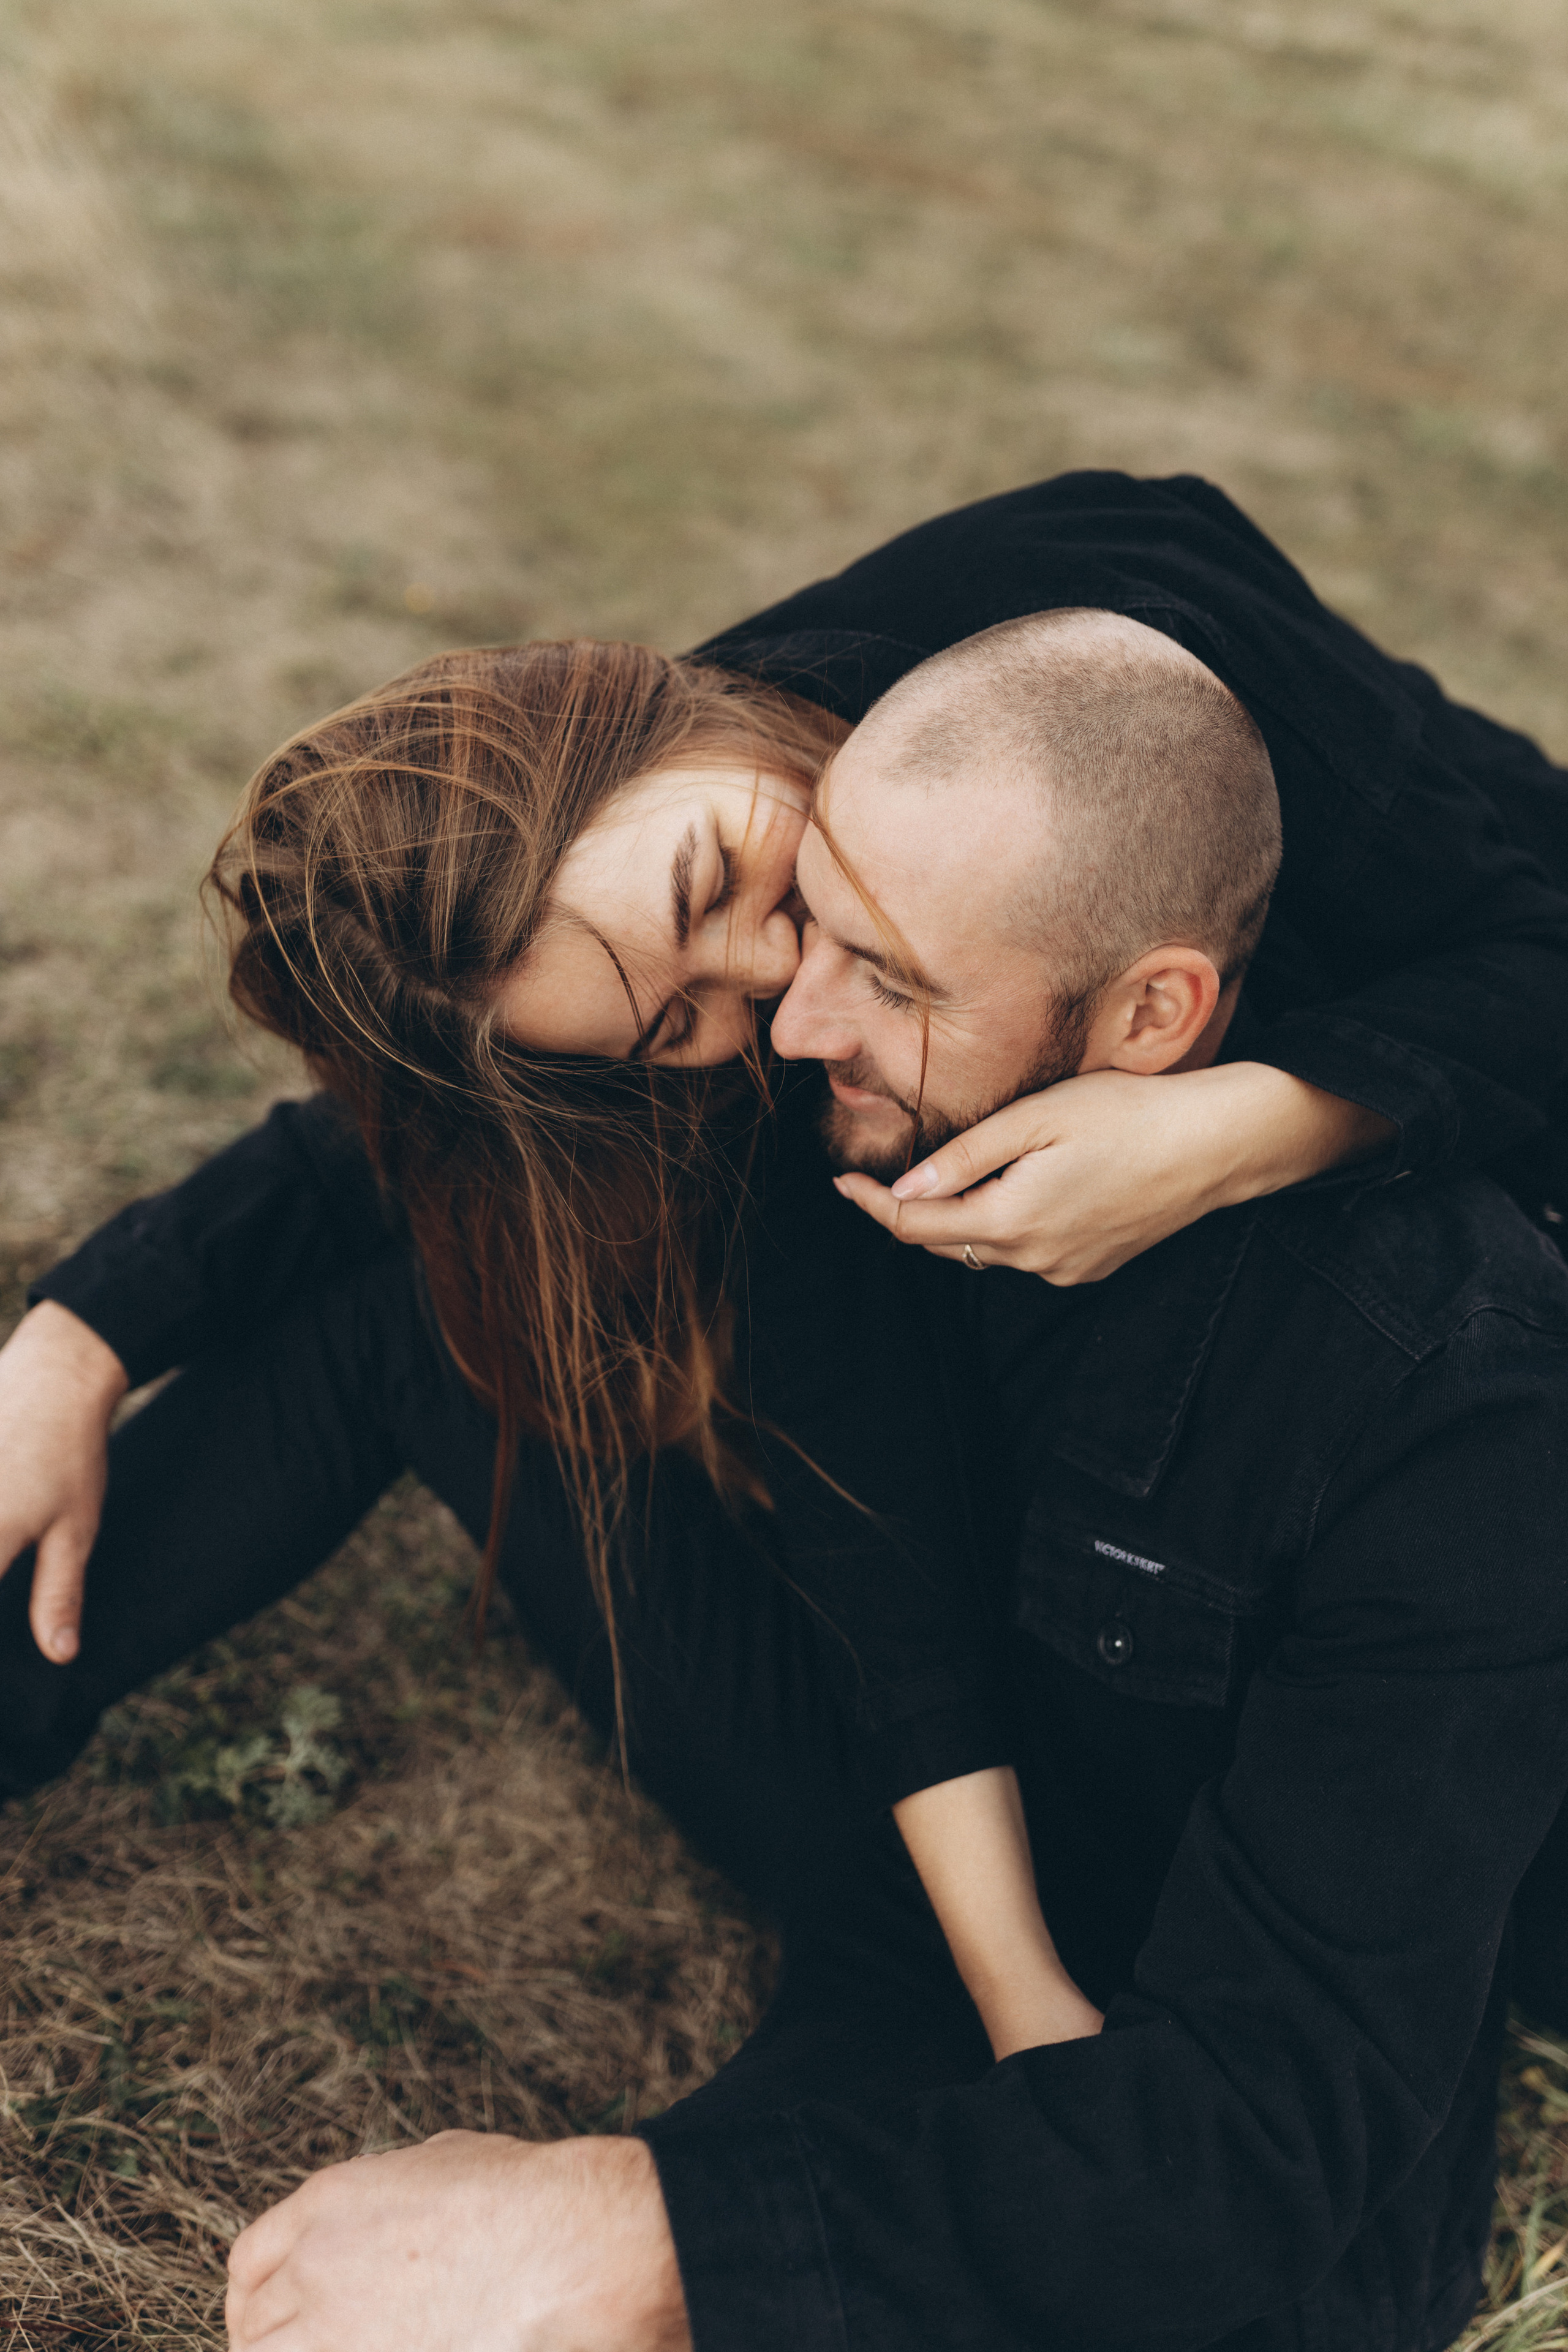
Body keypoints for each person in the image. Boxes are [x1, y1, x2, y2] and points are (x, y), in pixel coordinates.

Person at [2, 473, 1567, 2346]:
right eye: (677, 1024)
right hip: (953, 1774)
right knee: (429, 1297)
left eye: (737, 898)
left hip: (1296, 1577)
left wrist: (1249, 1122)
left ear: (697, 709)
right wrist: (80, 1333)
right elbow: (854, 1519)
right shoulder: (779, 1066)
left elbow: (1252, 2136)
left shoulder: (1111, 631)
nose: (774, 1010)